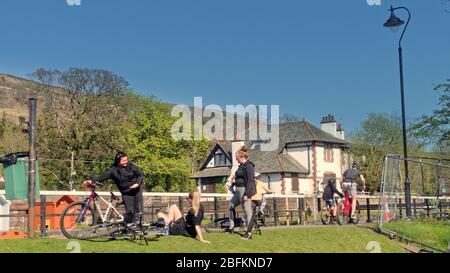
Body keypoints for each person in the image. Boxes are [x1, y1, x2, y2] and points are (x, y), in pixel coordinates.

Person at [84, 151, 144, 224]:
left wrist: (137, 184)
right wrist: (91, 181)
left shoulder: (131, 166)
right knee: (129, 211)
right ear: (118, 161)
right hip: (126, 192)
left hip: (136, 190)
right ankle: (128, 227)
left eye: (127, 160)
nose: (126, 162)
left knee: (138, 209)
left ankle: (139, 226)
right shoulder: (113, 170)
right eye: (124, 160)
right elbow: (104, 176)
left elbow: (140, 175)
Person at [225, 145, 256, 239]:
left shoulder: (249, 166)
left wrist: (247, 194)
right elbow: (239, 178)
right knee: (230, 206)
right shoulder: (241, 166)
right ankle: (232, 227)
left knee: (248, 212)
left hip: (244, 191)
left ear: (241, 156)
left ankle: (248, 234)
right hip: (237, 191)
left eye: (237, 157)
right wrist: (233, 183)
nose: (236, 159)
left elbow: (250, 180)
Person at [243, 172, 273, 239]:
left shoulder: (251, 183)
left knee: (251, 213)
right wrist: (267, 192)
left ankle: (249, 222)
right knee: (262, 203)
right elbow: (269, 191)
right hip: (258, 200)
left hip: (251, 199)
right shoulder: (261, 183)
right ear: (259, 177)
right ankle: (260, 211)